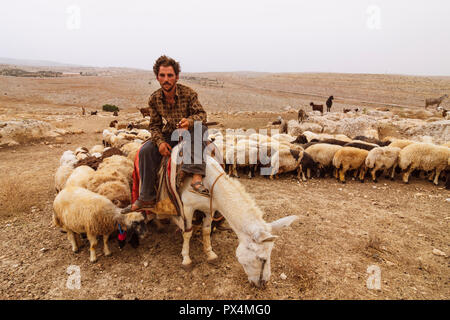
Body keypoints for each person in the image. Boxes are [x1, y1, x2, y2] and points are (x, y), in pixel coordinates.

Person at [128, 55, 210, 212]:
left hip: (190, 133)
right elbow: (154, 125)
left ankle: (197, 176)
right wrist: (159, 143)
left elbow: (201, 114)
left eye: (170, 75)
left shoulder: (188, 93)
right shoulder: (154, 99)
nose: (166, 79)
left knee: (202, 129)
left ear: (177, 77)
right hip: (171, 133)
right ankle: (147, 197)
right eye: (162, 75)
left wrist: (189, 121)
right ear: (157, 77)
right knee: (145, 151)